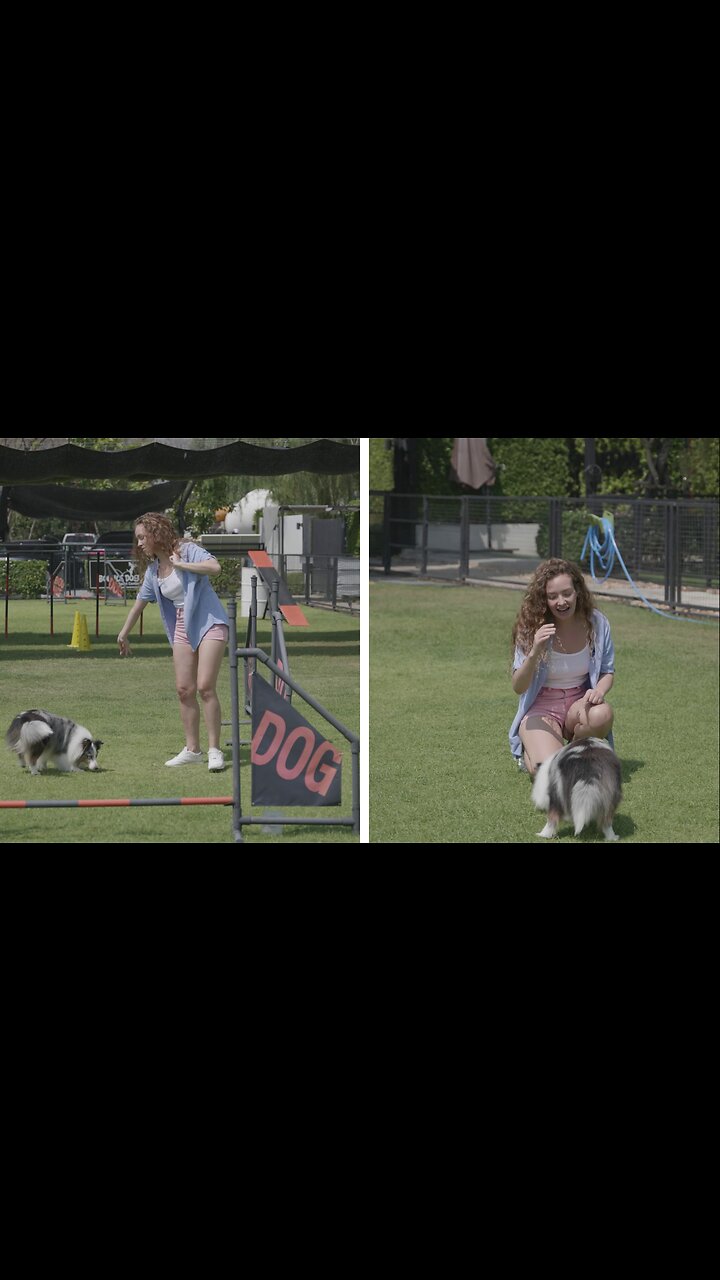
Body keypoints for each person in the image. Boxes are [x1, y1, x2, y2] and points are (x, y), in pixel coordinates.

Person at [117, 513, 230, 770]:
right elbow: (139, 605)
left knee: (205, 687)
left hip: (210, 621)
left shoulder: (187, 551)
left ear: (156, 534)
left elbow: (215, 567)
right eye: (138, 539)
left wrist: (182, 566)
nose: (141, 543)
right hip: (182, 626)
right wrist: (123, 633)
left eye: (143, 537)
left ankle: (214, 750)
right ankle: (193, 750)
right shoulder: (155, 570)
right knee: (183, 690)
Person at [509, 558, 616, 777]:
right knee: (548, 772)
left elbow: (607, 671)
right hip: (541, 708)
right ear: (543, 598)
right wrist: (535, 651)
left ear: (578, 591)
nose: (561, 601)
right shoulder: (531, 626)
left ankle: (569, 754)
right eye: (552, 596)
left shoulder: (597, 622)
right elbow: (518, 687)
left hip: (579, 702)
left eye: (567, 593)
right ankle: (535, 751)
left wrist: (599, 691)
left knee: (602, 714)